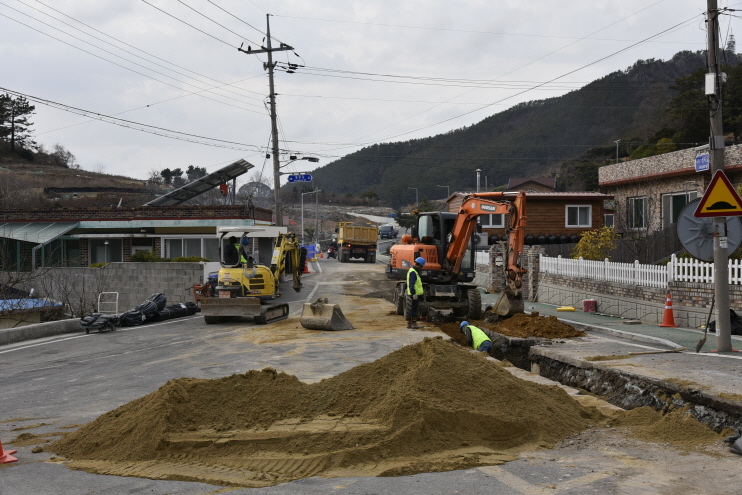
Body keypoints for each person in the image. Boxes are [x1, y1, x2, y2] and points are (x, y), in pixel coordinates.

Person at [406, 256, 425, 329]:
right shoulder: (413, 273)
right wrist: (414, 293)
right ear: (419, 265)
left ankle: (409, 323)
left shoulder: (413, 271)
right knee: (414, 309)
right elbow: (412, 284)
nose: (422, 268)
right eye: (421, 266)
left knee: (412, 309)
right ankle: (414, 323)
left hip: (414, 294)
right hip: (415, 294)